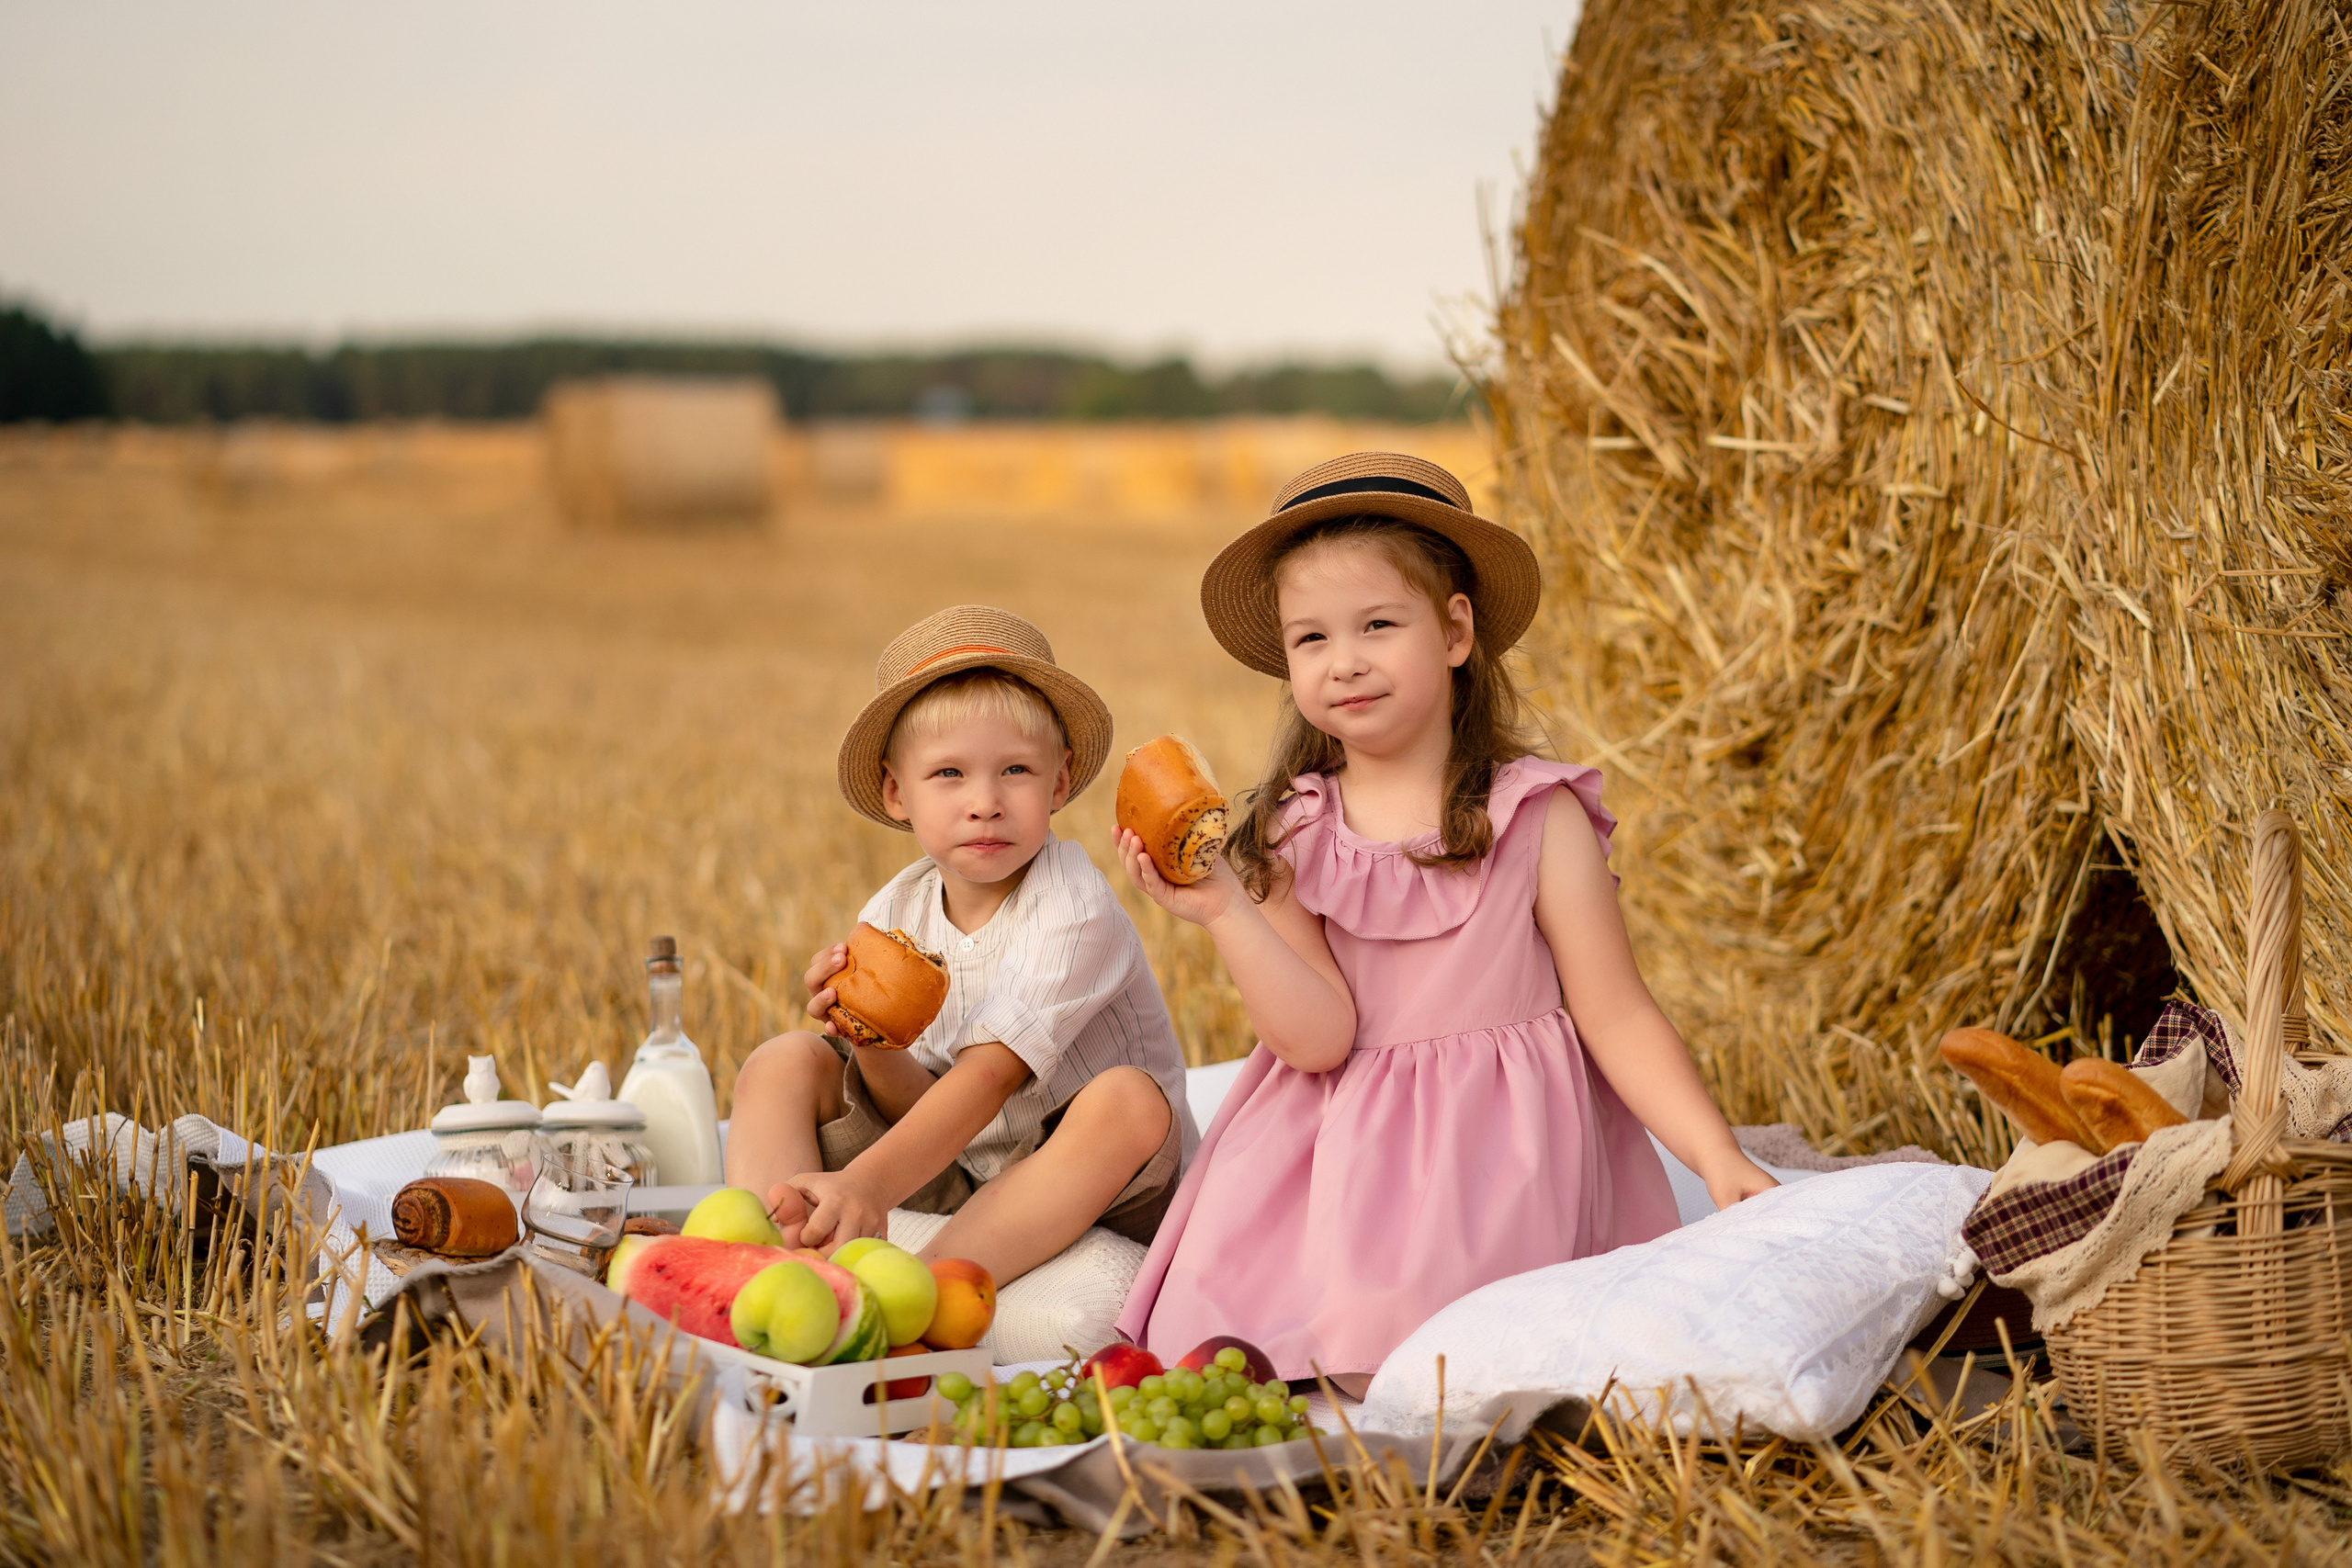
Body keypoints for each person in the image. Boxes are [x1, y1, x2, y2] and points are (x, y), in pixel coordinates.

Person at [1114, 453, 1775, 1391]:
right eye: (1311, 640)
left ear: (1455, 629)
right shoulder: (1286, 834)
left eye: (1378, 625)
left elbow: (1615, 1009)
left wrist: (1714, 1154)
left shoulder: (1534, 815)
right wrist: (1222, 908)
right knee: (1238, 1353)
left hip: (1499, 1154)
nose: (1343, 661)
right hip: (1333, 1153)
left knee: (1457, 1361)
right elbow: (1315, 1039)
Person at [727, 604, 1198, 1285]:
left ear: (1059, 782)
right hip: (961, 1162)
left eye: (1015, 771)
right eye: (949, 774)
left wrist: (866, 1184)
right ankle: (774, 1263)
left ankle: (920, 1290)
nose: (984, 801)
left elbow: (989, 1076)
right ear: (897, 791)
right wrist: (869, 1038)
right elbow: (916, 1104)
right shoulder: (897, 910)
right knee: (786, 1059)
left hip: (1097, 1175)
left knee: (1127, 1099)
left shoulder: (1073, 904)